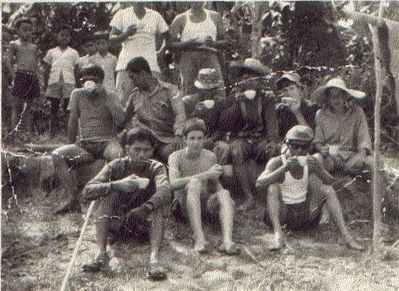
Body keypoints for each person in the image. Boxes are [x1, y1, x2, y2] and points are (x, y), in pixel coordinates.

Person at [81, 127, 171, 280]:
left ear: (152, 151)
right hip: (116, 223)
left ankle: (154, 259)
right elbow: (87, 191)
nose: (142, 154)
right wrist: (116, 184)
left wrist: (146, 207)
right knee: (108, 196)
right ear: (127, 149)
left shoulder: (156, 167)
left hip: (143, 224)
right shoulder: (115, 166)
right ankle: (101, 253)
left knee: (157, 205)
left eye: (146, 150)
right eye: (137, 149)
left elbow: (165, 191)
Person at [256, 125, 364, 251]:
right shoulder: (277, 162)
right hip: (283, 215)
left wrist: (319, 170)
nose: (300, 151)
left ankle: (346, 236)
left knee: (327, 190)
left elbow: (333, 184)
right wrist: (283, 169)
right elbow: (259, 183)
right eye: (295, 146)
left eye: (305, 147)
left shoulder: (311, 162)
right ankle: (278, 234)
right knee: (272, 188)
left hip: (305, 216)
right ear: (287, 144)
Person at [52, 65, 134, 215]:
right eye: (85, 79)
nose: (89, 82)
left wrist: (105, 95)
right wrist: (71, 144)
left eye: (93, 79)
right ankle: (72, 199)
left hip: (107, 142)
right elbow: (72, 121)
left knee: (117, 155)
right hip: (85, 144)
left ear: (101, 80)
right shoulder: (77, 94)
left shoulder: (110, 95)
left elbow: (121, 120)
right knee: (58, 155)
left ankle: (109, 200)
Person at [168, 118, 240, 255]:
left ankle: (227, 241)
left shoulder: (210, 156)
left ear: (205, 139)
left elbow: (214, 183)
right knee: (194, 183)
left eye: (199, 138)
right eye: (192, 138)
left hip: (204, 203)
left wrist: (226, 201)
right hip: (183, 205)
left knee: (224, 193)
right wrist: (206, 174)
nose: (195, 143)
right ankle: (199, 239)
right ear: (184, 139)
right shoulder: (175, 156)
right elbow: (173, 183)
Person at [222, 58, 280, 211]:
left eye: (253, 78)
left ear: (260, 81)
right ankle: (249, 196)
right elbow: (225, 124)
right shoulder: (235, 96)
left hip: (260, 138)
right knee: (236, 150)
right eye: (245, 77)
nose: (249, 81)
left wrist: (272, 140)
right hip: (241, 139)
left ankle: (266, 195)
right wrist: (235, 104)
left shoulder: (266, 98)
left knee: (270, 150)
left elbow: (271, 121)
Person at [122, 57, 186, 163]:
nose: (133, 82)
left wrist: (178, 134)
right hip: (144, 141)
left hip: (167, 139)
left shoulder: (170, 90)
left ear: (143, 74)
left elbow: (180, 114)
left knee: (174, 155)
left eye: (133, 78)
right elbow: (124, 118)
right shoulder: (134, 95)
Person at [110, 3, 169, 104]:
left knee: (155, 100)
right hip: (126, 65)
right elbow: (111, 39)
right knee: (122, 100)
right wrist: (126, 34)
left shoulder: (155, 15)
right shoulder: (122, 14)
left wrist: (162, 50)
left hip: (150, 65)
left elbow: (167, 36)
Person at [311, 78, 373, 174]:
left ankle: (377, 189)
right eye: (332, 96)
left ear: (345, 96)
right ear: (327, 98)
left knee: (374, 162)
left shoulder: (357, 112)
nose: (336, 99)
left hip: (352, 155)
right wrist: (322, 149)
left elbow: (364, 139)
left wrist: (361, 155)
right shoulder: (320, 114)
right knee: (316, 160)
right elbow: (318, 141)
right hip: (331, 157)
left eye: (339, 95)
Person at [168, 2, 229, 96]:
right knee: (190, 94)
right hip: (188, 58)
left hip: (210, 57)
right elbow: (170, 44)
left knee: (218, 92)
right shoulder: (181, 19)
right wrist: (186, 44)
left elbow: (226, 42)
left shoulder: (214, 16)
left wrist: (213, 43)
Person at [183, 68, 229, 164]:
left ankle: (216, 176)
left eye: (211, 89)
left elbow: (222, 127)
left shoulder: (220, 103)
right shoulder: (188, 102)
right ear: (198, 88)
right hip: (192, 139)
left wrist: (211, 140)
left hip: (213, 139)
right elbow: (183, 125)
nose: (208, 93)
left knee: (224, 148)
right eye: (204, 90)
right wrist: (196, 112)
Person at [43, 25, 79, 137]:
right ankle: (52, 134)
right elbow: (46, 70)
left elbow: (77, 70)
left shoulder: (73, 53)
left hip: (69, 82)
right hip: (54, 81)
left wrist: (77, 84)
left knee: (68, 109)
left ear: (70, 38)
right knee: (54, 108)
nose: (64, 37)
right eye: (62, 35)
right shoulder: (51, 52)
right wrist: (45, 84)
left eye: (67, 36)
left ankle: (68, 134)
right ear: (57, 36)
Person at [8, 17, 40, 136]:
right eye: (24, 29)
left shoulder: (34, 47)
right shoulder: (14, 44)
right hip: (20, 75)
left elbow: (35, 64)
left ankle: (28, 133)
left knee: (28, 106)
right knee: (16, 106)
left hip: (31, 77)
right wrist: (13, 76)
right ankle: (13, 133)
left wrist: (36, 78)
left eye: (30, 30)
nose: (27, 32)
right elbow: (8, 62)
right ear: (17, 30)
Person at [275, 72, 319, 138]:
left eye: (292, 89)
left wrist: (297, 112)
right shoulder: (280, 109)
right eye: (285, 90)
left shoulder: (311, 107)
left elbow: (310, 135)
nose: (289, 93)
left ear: (299, 89)